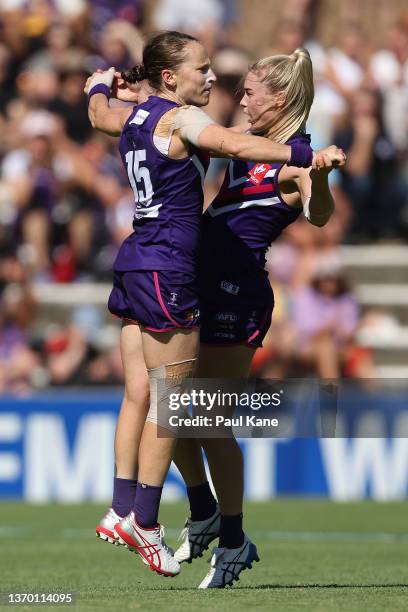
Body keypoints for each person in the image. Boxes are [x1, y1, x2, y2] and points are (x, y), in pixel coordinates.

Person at [85, 31, 344, 585]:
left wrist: (315, 175)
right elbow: (167, 125)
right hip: (196, 278)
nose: (241, 99)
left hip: (236, 295)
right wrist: (126, 95)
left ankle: (230, 534)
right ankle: (202, 510)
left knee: (205, 421)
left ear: (279, 99)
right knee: (175, 410)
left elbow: (319, 214)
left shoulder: (291, 155)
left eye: (250, 92)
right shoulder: (236, 136)